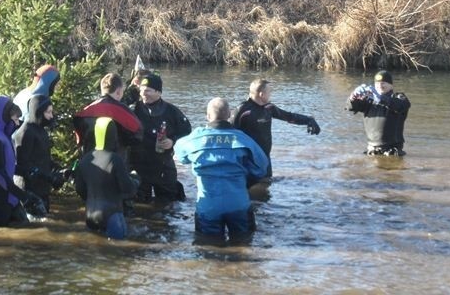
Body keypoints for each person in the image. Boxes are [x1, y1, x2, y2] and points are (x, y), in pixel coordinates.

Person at [175, 98, 269, 240]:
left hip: (208, 206)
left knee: (208, 248)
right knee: (243, 245)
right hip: (238, 203)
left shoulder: (194, 139)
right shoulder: (242, 138)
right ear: (229, 115)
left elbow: (180, 155)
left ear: (207, 116)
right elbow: (262, 167)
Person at [0, 96, 46, 228]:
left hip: (11, 198)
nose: (17, 124)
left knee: (26, 234)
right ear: (5, 117)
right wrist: (23, 195)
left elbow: (8, 166)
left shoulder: (5, 137)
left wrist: (26, 171)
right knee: (3, 243)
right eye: (15, 119)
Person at [233, 78, 321, 178]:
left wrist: (308, 120)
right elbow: (227, 131)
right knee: (254, 189)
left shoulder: (269, 108)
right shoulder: (242, 111)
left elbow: (289, 117)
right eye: (269, 92)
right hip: (249, 160)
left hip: (265, 158)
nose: (271, 94)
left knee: (266, 186)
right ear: (261, 95)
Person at [75, 117, 139, 239]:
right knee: (118, 251)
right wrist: (135, 180)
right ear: (113, 135)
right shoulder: (114, 159)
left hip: (90, 215)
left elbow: (80, 189)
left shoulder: (86, 159)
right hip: (112, 215)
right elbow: (128, 189)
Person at [131, 73, 192, 203]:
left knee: (168, 204)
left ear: (158, 92)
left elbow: (187, 131)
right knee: (140, 205)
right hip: (139, 165)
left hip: (163, 164)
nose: (143, 93)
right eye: (141, 90)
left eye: (147, 90)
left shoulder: (171, 111)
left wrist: (173, 141)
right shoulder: (133, 108)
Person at [13, 95, 64, 214]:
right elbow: (23, 165)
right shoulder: (25, 133)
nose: (51, 116)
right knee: (35, 226)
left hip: (42, 189)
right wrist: (49, 177)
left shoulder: (41, 130)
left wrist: (57, 169)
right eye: (48, 112)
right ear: (38, 112)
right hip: (29, 191)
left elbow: (42, 157)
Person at [73, 73, 142, 159]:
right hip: (114, 162)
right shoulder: (121, 111)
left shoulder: (85, 111)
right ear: (119, 92)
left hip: (90, 160)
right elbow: (138, 133)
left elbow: (79, 140)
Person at [346, 70, 411, 156]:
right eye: (377, 83)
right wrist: (353, 96)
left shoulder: (399, 98)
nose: (380, 85)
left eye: (383, 83)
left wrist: (380, 98)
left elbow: (401, 105)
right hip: (372, 148)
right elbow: (351, 107)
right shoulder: (369, 100)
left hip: (393, 150)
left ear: (391, 85)